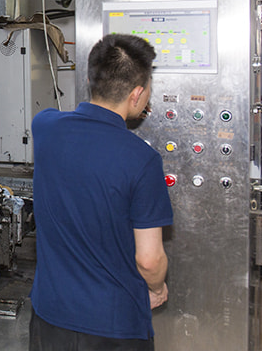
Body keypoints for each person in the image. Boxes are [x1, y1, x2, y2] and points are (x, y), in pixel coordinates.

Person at [29, 33, 173, 351]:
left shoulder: (45, 127)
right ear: (137, 94)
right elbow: (149, 259)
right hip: (113, 327)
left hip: (49, 318)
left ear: (90, 80)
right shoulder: (143, 160)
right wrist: (157, 288)